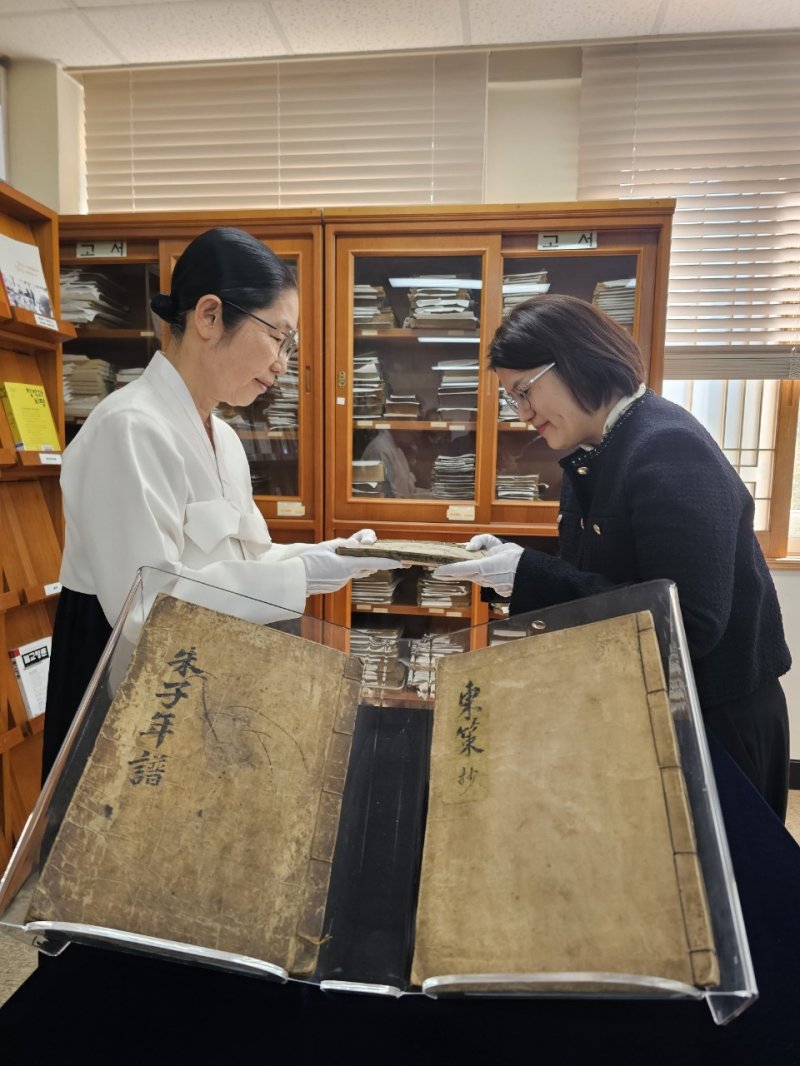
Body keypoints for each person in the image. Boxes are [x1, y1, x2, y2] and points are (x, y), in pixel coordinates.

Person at [42, 226, 401, 780]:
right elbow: (148, 607)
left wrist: (327, 562)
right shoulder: (129, 426)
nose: (284, 363)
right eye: (278, 337)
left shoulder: (225, 438)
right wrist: (300, 576)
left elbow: (243, 564)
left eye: (290, 346)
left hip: (202, 678)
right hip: (126, 694)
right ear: (210, 317)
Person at [433, 293, 792, 820]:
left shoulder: (665, 446)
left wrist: (525, 572)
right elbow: (599, 571)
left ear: (576, 361)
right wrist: (513, 567)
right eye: (513, 399)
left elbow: (688, 621)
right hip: (657, 702)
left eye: (525, 391)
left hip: (719, 716)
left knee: (730, 894)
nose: (523, 413)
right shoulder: (596, 450)